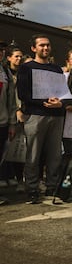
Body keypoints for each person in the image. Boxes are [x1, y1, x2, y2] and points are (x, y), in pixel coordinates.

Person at [17, 34, 66, 204]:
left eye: (48, 45)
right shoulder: (26, 68)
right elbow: (23, 94)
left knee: (55, 155)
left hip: (56, 116)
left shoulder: (57, 69)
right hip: (36, 115)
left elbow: (64, 93)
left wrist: (59, 103)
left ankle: (52, 187)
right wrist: (45, 102)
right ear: (33, 48)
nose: (45, 48)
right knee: (33, 154)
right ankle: (32, 188)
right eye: (42, 45)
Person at [0, 41, 18, 192]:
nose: (0, 53)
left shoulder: (5, 72)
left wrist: (12, 123)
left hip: (3, 123)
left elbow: (12, 101)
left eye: (2, 50)